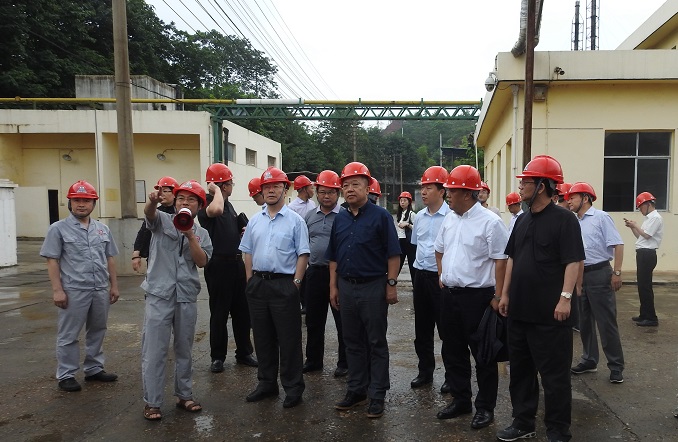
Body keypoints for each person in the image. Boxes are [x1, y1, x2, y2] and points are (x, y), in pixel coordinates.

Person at [496, 155, 584, 442]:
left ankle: (558, 429)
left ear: (542, 186)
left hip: (551, 315)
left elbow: (573, 261)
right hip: (519, 312)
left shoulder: (565, 220)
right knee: (521, 372)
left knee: (554, 376)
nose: (520, 187)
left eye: (526, 182)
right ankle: (523, 422)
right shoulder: (521, 220)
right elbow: (512, 258)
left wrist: (565, 298)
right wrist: (505, 294)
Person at [434, 165, 509, 430]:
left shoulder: (491, 222)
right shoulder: (449, 219)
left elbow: (501, 261)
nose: (447, 195)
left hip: (479, 298)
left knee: (483, 354)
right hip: (450, 296)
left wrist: (498, 296)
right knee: (452, 351)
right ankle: (461, 399)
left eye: (451, 191)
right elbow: (439, 250)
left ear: (467, 194)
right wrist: (442, 275)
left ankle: (485, 407)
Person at [328, 161, 401, 419]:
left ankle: (377, 393)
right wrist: (333, 286)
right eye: (345, 185)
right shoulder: (340, 218)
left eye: (355, 184)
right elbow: (334, 256)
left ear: (367, 187)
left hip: (373, 287)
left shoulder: (381, 216)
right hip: (346, 287)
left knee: (376, 341)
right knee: (352, 342)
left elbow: (393, 254)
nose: (349, 189)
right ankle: (356, 390)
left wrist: (391, 285)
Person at [141, 179, 213, 421]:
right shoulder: (162, 220)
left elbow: (202, 261)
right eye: (181, 198)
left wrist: (190, 235)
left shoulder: (202, 234)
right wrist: (152, 202)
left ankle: (184, 395)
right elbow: (149, 214)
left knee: (184, 349)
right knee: (155, 350)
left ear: (199, 206)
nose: (185, 203)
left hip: (185, 296)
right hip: (159, 294)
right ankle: (152, 402)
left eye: (191, 200)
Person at [239, 167, 310, 409]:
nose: (270, 190)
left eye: (276, 186)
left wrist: (296, 283)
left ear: (285, 189)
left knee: (289, 339)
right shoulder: (255, 221)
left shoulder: (295, 221)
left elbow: (303, 254)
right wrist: (250, 280)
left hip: (284, 284)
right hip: (258, 285)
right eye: (266, 187)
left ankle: (293, 387)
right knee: (262, 337)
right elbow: (247, 251)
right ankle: (266, 384)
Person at [40, 180, 120, 393]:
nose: (81, 204)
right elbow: (52, 261)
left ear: (94, 203)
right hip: (74, 290)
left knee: (98, 329)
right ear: (70, 203)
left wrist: (113, 285)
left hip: (99, 288)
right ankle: (66, 374)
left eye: (86, 200)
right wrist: (57, 290)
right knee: (69, 334)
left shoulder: (102, 229)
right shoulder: (58, 229)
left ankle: (94, 368)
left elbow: (110, 258)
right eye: (77, 200)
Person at [198, 163, 257, 374]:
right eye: (230, 183)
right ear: (223, 185)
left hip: (236, 264)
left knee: (242, 311)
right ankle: (217, 357)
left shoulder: (229, 206)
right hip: (218, 265)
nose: (232, 186)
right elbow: (216, 210)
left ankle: (244, 352)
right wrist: (214, 190)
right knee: (219, 313)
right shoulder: (207, 204)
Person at [567, 182, 626, 384]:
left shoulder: (601, 217)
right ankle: (589, 360)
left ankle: (616, 366)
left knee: (606, 322)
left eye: (572, 197)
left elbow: (618, 244)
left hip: (600, 273)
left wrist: (617, 272)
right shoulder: (574, 221)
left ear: (585, 198)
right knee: (584, 322)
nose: (569, 201)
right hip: (581, 276)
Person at [409, 166, 452, 393]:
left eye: (428, 188)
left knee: (446, 329)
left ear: (442, 191)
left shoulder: (451, 217)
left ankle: (451, 376)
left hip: (441, 279)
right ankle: (425, 372)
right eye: (422, 188)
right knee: (422, 328)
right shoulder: (419, 217)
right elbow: (416, 246)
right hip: (421, 276)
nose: (423, 192)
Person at [302, 170, 348, 377]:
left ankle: (344, 363)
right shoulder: (309, 216)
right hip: (315, 273)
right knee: (313, 320)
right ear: (316, 193)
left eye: (331, 192)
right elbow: (303, 245)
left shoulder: (345, 216)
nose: (326, 196)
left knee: (342, 321)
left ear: (338, 193)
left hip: (338, 275)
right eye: (322, 192)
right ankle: (313, 360)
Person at [625, 192, 663, 327]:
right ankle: (644, 314)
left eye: (641, 207)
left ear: (648, 204)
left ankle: (651, 318)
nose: (640, 210)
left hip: (647, 254)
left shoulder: (655, 218)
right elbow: (641, 237)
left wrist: (635, 225)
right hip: (643, 253)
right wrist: (632, 227)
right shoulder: (649, 218)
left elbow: (646, 235)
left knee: (645, 286)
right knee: (642, 286)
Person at [132, 176, 178, 271]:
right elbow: (144, 231)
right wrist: (136, 254)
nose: (162, 194)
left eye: (165, 191)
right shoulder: (154, 212)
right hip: (156, 257)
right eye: (160, 191)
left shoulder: (180, 213)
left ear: (174, 193)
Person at [396, 191, 416, 280]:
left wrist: (407, 224)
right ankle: (392, 282)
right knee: (398, 263)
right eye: (401, 201)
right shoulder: (400, 214)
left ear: (409, 202)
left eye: (405, 200)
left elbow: (417, 228)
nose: (402, 202)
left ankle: (416, 285)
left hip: (409, 242)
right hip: (401, 241)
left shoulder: (412, 214)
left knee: (412, 265)